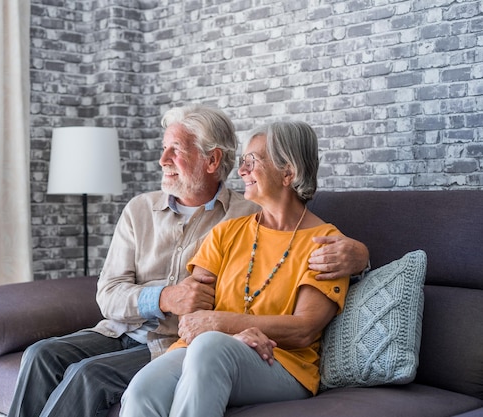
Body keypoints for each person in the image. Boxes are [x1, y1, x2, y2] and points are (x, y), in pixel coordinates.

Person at [7, 106, 369, 417]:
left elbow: (294, 322)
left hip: (204, 346)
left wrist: (362, 256)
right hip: (136, 332)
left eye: (175, 150)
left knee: (93, 374)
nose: (163, 160)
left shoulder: (265, 221)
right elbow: (130, 296)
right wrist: (170, 301)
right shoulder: (186, 221)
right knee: (49, 357)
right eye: (243, 161)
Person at [120, 120, 351, 416]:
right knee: (142, 391)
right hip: (207, 349)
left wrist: (224, 329)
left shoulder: (326, 244)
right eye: (243, 162)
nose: (241, 171)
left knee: (210, 349)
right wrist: (230, 338)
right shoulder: (226, 233)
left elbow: (304, 330)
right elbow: (192, 315)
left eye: (252, 161)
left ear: (288, 172)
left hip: (283, 364)